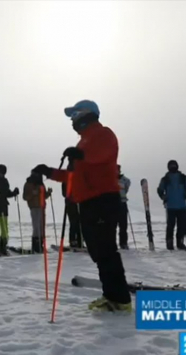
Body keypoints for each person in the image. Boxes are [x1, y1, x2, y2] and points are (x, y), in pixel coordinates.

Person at [33, 100, 131, 312]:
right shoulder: (82, 143)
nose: (73, 120)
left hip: (103, 198)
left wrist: (81, 155)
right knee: (97, 251)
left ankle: (120, 299)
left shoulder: (103, 134)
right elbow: (73, 176)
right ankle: (111, 295)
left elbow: (101, 154)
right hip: (87, 202)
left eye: (75, 114)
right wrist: (48, 172)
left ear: (87, 114)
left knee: (105, 251)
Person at [157, 160, 186, 251]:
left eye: (174, 165)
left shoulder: (183, 177)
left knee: (181, 225)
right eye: (171, 165)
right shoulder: (166, 179)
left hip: (181, 205)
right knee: (171, 225)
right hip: (171, 206)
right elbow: (160, 190)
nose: (173, 167)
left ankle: (179, 243)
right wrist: (163, 197)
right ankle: (170, 243)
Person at [23, 170, 52, 253]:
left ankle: (40, 245)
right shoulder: (28, 184)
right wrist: (33, 193)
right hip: (34, 207)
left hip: (42, 207)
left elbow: (43, 196)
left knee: (41, 226)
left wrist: (48, 193)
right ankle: (36, 246)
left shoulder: (41, 184)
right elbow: (25, 197)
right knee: (36, 227)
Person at [61, 163, 83, 250]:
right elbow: (64, 192)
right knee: (73, 222)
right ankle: (72, 240)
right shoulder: (65, 180)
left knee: (79, 222)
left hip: (78, 203)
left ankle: (80, 240)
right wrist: (69, 196)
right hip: (70, 203)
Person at [117, 165, 131, 250]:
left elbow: (126, 189)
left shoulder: (125, 180)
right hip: (112, 204)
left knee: (123, 225)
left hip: (122, 203)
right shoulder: (108, 179)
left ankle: (123, 243)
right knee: (112, 225)